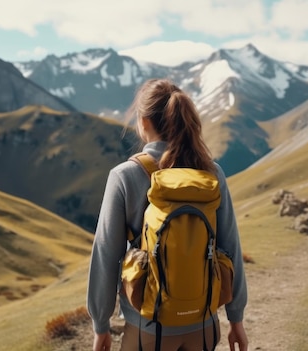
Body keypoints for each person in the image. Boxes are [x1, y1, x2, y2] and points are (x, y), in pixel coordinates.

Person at [87, 78, 249, 351]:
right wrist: (236, 319)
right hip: (204, 324)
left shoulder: (125, 176)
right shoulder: (212, 173)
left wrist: (100, 325)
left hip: (147, 328)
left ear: (144, 122)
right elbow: (230, 247)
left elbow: (106, 254)